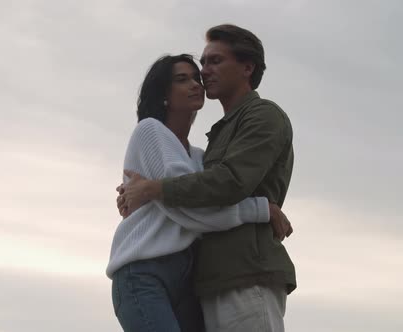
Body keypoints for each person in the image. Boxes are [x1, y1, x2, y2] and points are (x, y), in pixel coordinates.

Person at [118, 24, 296, 332]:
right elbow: (192, 203)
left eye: (215, 61)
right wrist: (145, 192)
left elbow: (228, 183)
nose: (205, 72)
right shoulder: (213, 138)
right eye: (204, 63)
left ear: (247, 67)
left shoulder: (262, 115)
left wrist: (153, 189)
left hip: (246, 273)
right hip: (210, 281)